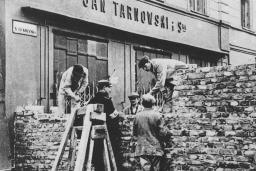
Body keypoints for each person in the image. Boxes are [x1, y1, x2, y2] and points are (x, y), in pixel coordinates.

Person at [89, 80, 125, 170]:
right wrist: (119, 114)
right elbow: (113, 116)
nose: (110, 90)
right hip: (108, 133)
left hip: (94, 134)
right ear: (104, 88)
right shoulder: (106, 100)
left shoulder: (92, 100)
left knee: (98, 158)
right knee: (112, 156)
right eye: (109, 88)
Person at [133, 94, 171, 171]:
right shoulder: (157, 115)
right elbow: (163, 133)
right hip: (155, 148)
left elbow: (134, 133)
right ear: (153, 103)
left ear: (142, 103)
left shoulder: (137, 116)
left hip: (142, 148)